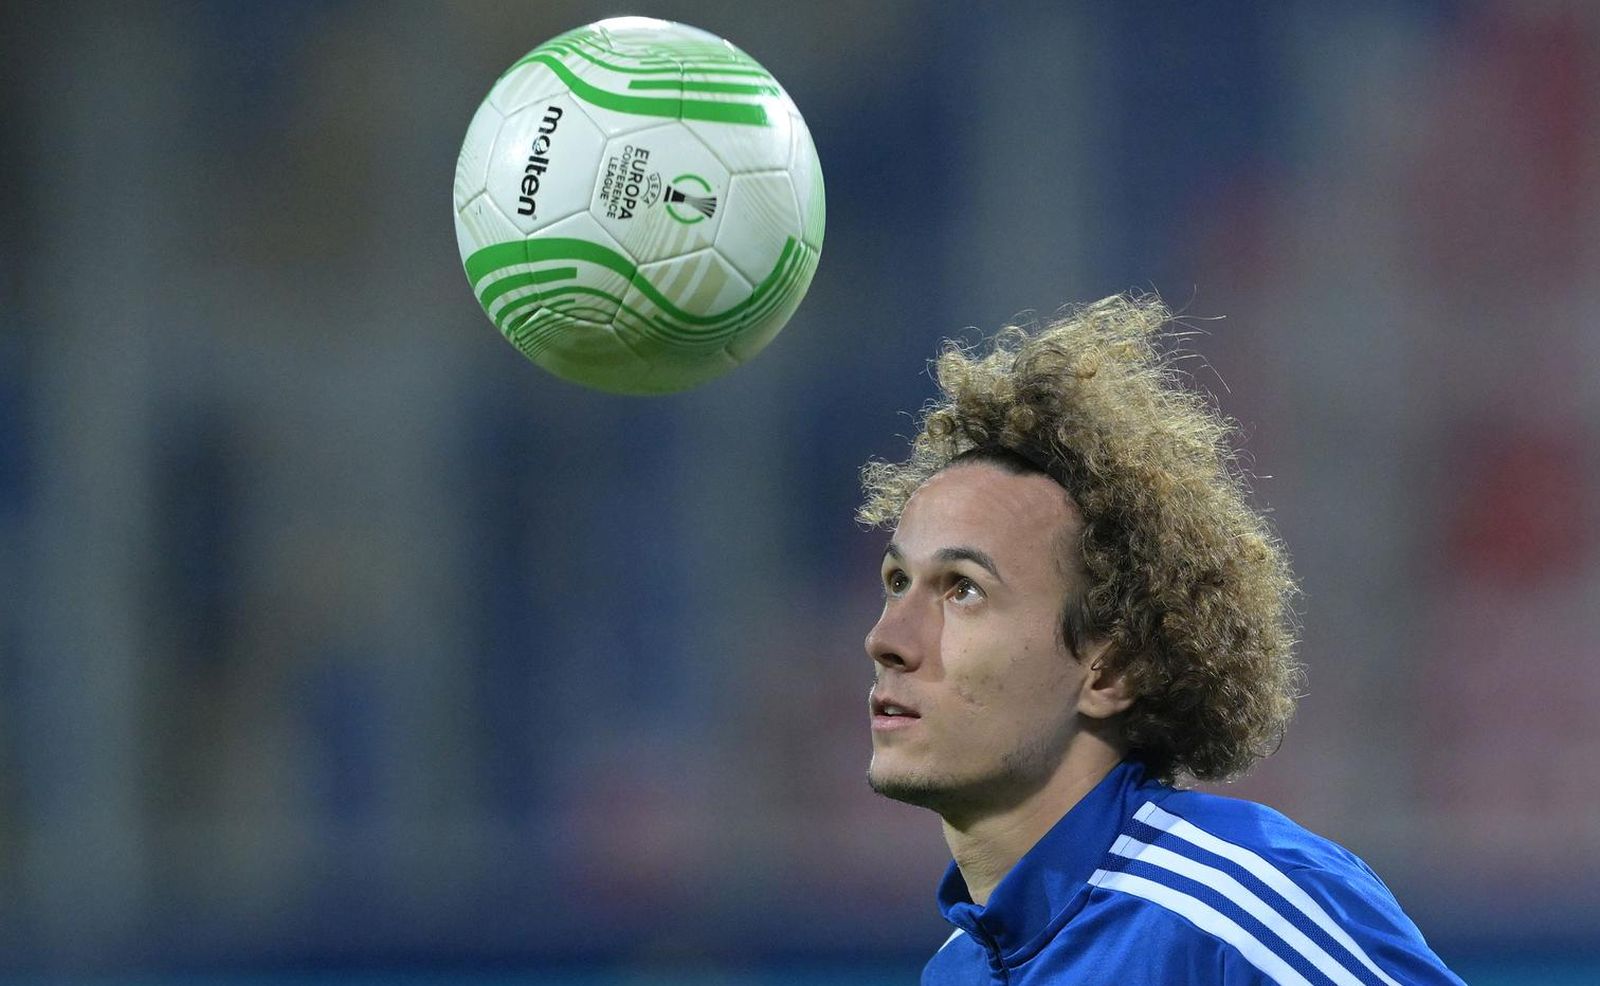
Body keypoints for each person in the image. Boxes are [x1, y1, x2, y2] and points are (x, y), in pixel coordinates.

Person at [858, 294, 1464, 985]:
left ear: (1109, 669)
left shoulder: (1237, 911)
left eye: (964, 589)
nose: (887, 638)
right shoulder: (956, 973)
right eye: (897, 581)